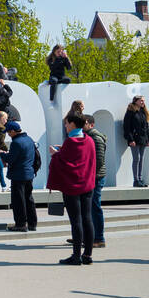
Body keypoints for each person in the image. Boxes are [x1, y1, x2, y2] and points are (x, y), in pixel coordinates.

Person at [48, 114, 96, 265]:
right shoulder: (89, 140)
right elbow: (82, 158)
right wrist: (62, 152)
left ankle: (76, 256)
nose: (65, 126)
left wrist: (55, 154)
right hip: (87, 184)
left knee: (76, 221)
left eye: (67, 123)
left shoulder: (70, 142)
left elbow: (65, 163)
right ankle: (87, 255)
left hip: (72, 187)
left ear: (74, 124)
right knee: (87, 219)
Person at [3, 121, 39, 232]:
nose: (8, 134)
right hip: (29, 174)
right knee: (29, 199)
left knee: (18, 201)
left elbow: (10, 159)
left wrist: (2, 154)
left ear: (13, 131)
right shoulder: (29, 139)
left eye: (9, 132)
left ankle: (20, 224)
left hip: (18, 175)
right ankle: (32, 224)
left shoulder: (16, 143)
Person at [80, 115, 108, 248]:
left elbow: (99, 160)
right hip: (90, 176)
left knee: (94, 207)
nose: (82, 125)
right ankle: (85, 237)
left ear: (91, 124)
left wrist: (88, 173)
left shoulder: (95, 138)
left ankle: (99, 238)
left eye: (84, 123)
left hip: (95, 177)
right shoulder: (86, 136)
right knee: (87, 208)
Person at [123, 95, 149, 187]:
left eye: (143, 100)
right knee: (137, 159)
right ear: (135, 101)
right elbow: (127, 127)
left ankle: (140, 178)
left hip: (143, 139)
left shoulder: (143, 112)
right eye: (141, 101)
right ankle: (135, 180)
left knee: (141, 159)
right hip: (134, 139)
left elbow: (146, 127)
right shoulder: (131, 112)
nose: (143, 102)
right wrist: (130, 139)